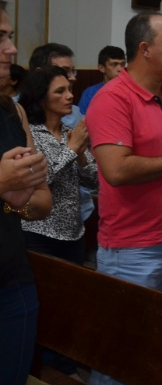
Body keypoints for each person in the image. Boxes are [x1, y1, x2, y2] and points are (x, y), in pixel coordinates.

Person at [86, 13, 162, 385]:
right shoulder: (113, 98)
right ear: (145, 49)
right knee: (119, 350)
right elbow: (115, 169)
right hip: (132, 249)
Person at [0, 7, 53, 385]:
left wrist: (16, 201)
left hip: (12, 278)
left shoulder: (12, 113)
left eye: (10, 35)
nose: (12, 48)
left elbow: (41, 201)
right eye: (0, 38)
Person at [17, 66, 98, 264]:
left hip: (74, 233)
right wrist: (71, 149)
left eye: (69, 89)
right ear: (41, 98)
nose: (70, 96)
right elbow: (40, 180)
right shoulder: (28, 134)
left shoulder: (69, 132)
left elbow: (95, 180)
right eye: (60, 91)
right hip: (39, 233)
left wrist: (80, 156)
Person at [78, 45, 126, 114]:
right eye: (114, 64)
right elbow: (81, 120)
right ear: (101, 68)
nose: (120, 69)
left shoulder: (129, 92)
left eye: (122, 64)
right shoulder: (90, 93)